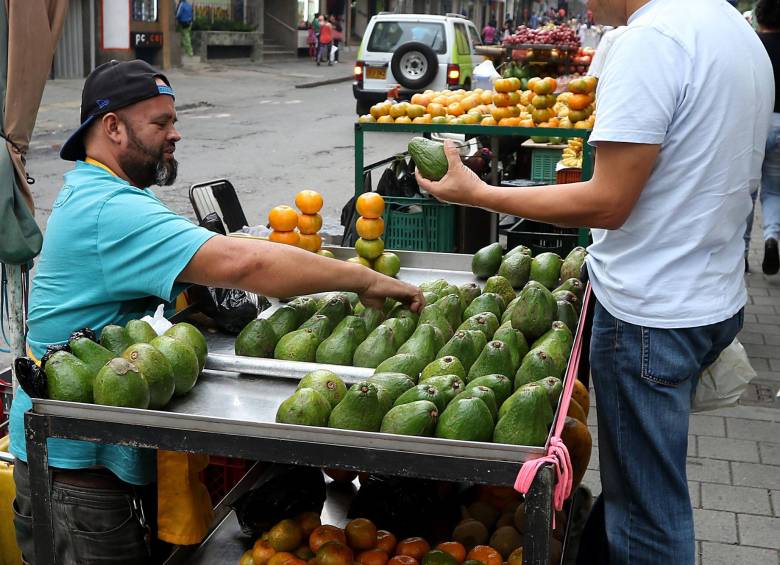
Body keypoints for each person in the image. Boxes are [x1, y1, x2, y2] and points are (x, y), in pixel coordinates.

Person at [10, 59, 423, 564]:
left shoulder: (106, 193)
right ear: (112, 127)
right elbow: (244, 263)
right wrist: (364, 278)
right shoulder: (108, 209)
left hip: (91, 460)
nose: (175, 134)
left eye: (173, 120)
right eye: (160, 122)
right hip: (75, 475)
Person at [415, 0, 772, 563]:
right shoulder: (731, 26)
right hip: (707, 297)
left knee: (648, 518)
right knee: (643, 479)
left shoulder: (651, 40)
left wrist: (478, 194)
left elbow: (607, 201)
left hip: (651, 313)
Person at [747, 0, 780, 274]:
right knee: (773, 190)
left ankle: (742, 253)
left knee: (748, 188)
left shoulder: (751, 45)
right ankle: (771, 236)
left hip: (756, 123)